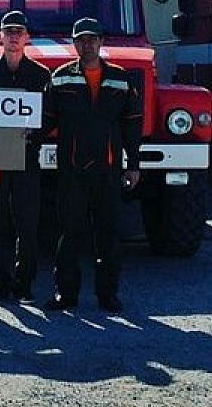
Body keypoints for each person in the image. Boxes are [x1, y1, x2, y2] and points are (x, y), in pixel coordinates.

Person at [44, 17, 142, 314]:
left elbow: (132, 125)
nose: (86, 45)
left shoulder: (121, 80)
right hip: (72, 170)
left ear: (101, 42)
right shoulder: (59, 78)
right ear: (74, 44)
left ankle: (108, 295)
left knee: (109, 235)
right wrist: (17, 138)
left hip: (108, 170)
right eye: (81, 40)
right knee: (69, 234)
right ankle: (66, 294)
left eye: (92, 39)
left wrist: (133, 164)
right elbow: (44, 120)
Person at [0, 10, 50, 304]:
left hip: (27, 158)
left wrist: (36, 134)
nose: (14, 36)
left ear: (27, 37)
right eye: (9, 31)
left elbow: (49, 117)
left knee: (27, 223)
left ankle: (24, 286)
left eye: (19, 31)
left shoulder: (41, 76)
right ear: (0, 36)